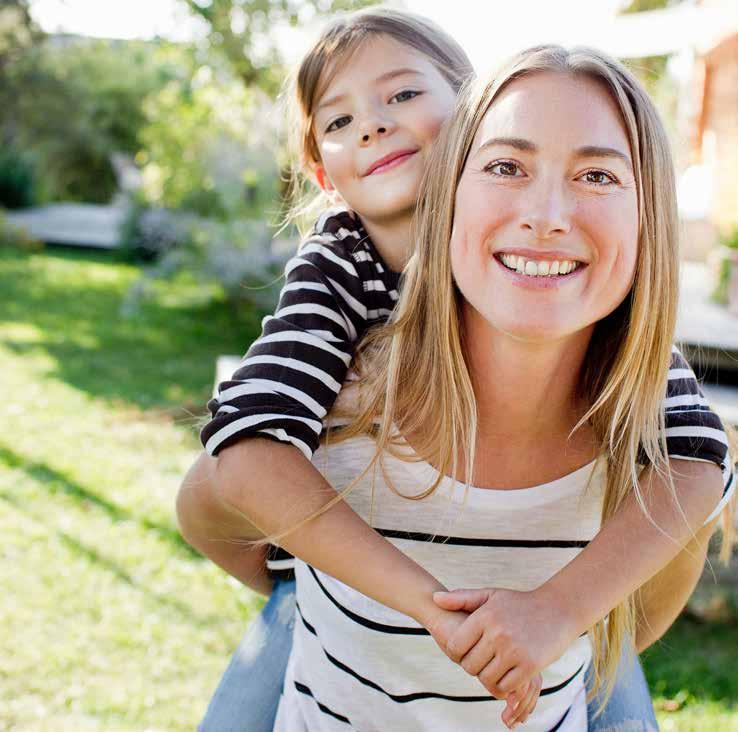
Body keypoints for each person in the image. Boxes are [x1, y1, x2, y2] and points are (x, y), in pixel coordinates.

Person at [177, 10, 735, 731]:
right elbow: (238, 458)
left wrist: (566, 612)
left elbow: (698, 459)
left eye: (403, 96)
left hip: (554, 638)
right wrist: (342, 585)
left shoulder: (609, 339)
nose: (544, 213)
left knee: (613, 684)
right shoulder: (338, 268)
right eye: (508, 166)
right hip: (333, 596)